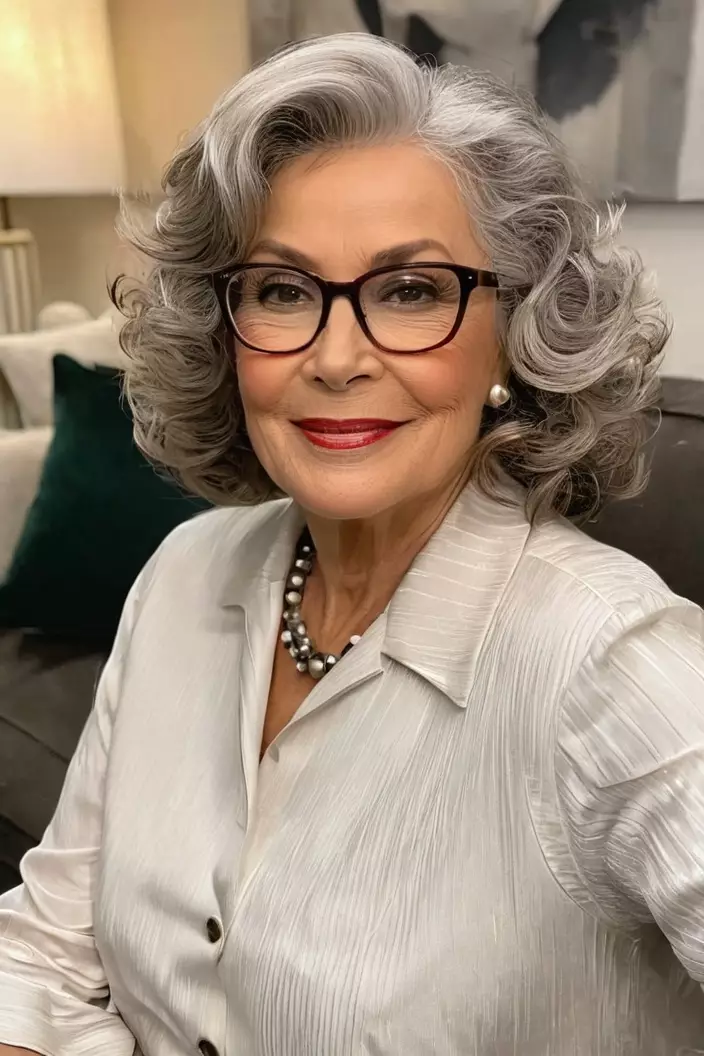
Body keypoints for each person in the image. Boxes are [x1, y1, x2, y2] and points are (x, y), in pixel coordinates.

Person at [1, 31, 703, 1056]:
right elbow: (43, 958)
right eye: (282, 291)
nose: (335, 357)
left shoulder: (610, 663)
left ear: (512, 330)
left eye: (410, 291)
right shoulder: (185, 574)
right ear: (225, 328)